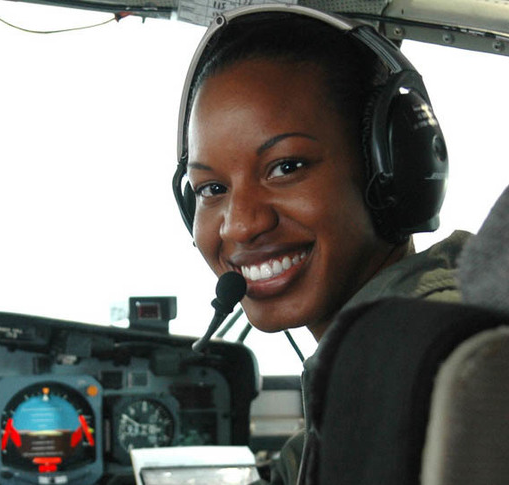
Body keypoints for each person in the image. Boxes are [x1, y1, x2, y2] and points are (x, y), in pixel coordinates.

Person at [172, 5, 469, 484]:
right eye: (211, 189)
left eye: (286, 167)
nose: (241, 226)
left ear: (392, 169)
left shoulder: (414, 372)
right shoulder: (385, 354)